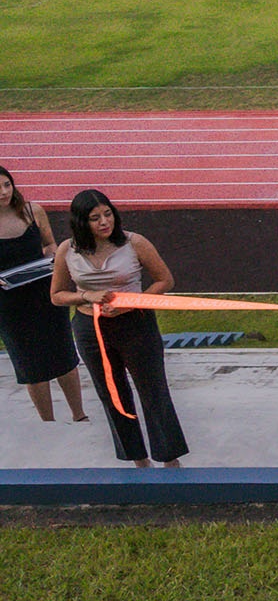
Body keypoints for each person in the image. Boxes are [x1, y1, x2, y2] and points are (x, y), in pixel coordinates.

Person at [48, 190, 185, 467]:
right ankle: (138, 461)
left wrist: (130, 304)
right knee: (112, 395)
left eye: (108, 214)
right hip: (91, 328)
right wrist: (86, 296)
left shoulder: (134, 243)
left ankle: (170, 461)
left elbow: (164, 280)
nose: (104, 222)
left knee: (153, 392)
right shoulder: (67, 250)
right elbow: (57, 295)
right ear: (80, 223)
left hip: (136, 325)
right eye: (95, 218)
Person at [0, 165, 86, 424]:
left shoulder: (32, 211)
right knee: (30, 364)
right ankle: (48, 423)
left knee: (64, 355)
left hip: (45, 291)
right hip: (9, 302)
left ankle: (79, 415)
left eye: (6, 184)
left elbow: (50, 243)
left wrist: (50, 257)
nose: (3, 192)